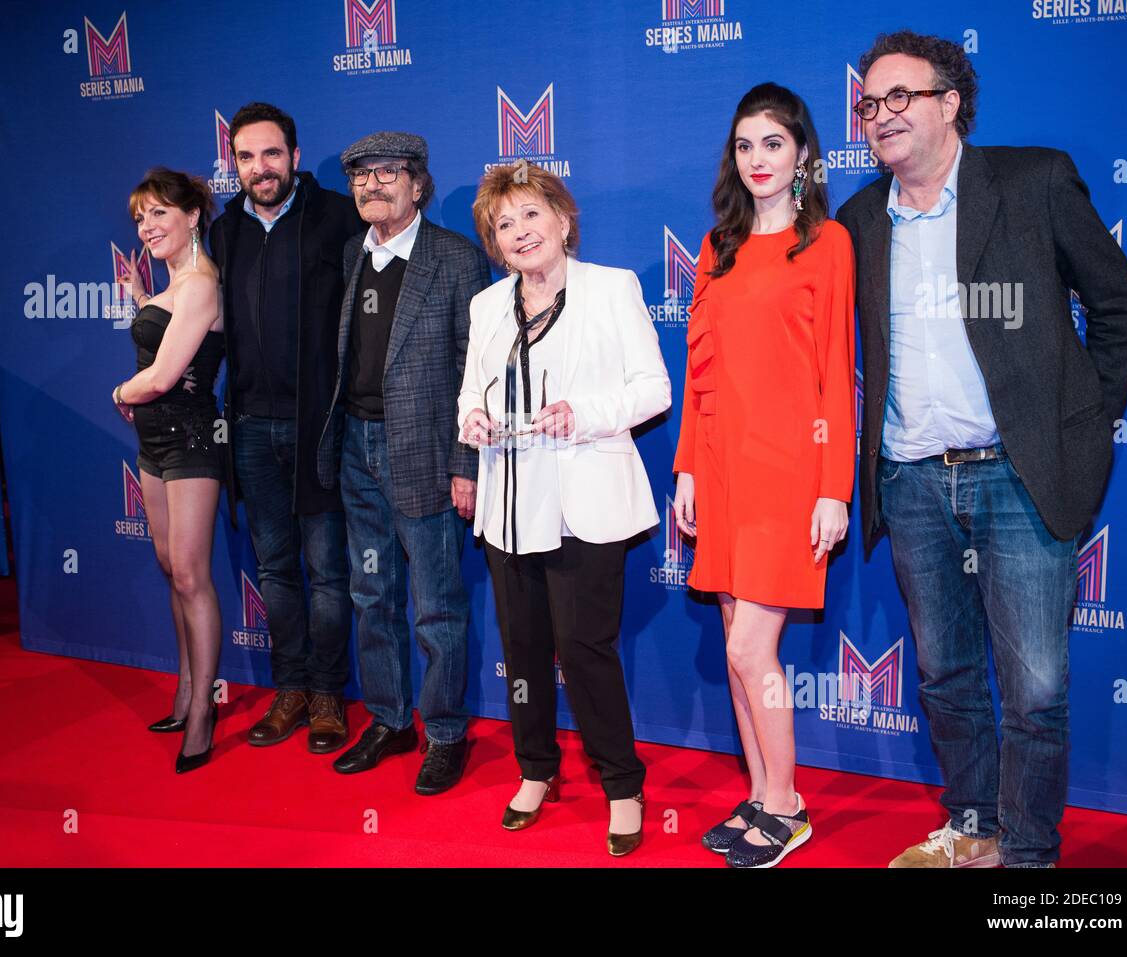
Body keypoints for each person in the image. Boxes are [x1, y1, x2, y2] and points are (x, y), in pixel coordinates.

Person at [836, 31, 1127, 868]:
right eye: (869, 103)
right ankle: (971, 827)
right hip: (910, 480)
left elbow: (1117, 305)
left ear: (950, 102)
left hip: (1019, 474)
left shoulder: (1033, 179)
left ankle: (1030, 857)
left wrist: (1081, 422)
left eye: (901, 96)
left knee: (1037, 688)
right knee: (943, 676)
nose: (880, 115)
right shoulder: (860, 220)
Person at [460, 162, 671, 856]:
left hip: (583, 504)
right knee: (523, 652)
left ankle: (622, 784)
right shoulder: (487, 306)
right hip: (509, 506)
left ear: (561, 219)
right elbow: (470, 397)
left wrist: (581, 414)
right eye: (503, 224)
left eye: (529, 215)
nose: (519, 232)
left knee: (584, 650)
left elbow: (652, 390)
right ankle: (536, 768)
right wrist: (475, 421)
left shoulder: (612, 289)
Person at [673, 84, 856, 868]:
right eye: (745, 145)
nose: (758, 160)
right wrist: (684, 467)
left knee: (753, 649)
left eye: (773, 144)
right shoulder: (717, 247)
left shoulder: (831, 244)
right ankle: (758, 794)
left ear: (803, 154)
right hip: (720, 468)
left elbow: (835, 372)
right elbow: (700, 371)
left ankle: (787, 803)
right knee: (731, 638)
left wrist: (833, 487)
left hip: (792, 473)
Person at [320, 132, 491, 795]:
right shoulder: (351, 257)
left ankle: (445, 732)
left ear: (418, 184)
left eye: (388, 173)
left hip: (423, 451)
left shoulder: (454, 260)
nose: (371, 185)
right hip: (356, 449)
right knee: (371, 593)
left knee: (436, 606)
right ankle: (390, 718)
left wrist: (464, 462)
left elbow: (475, 372)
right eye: (360, 175)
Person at [207, 103, 364, 755]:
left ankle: (329, 691)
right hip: (248, 425)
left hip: (317, 427)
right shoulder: (224, 232)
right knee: (275, 567)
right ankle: (290, 686)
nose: (260, 167)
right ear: (234, 163)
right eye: (246, 156)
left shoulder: (334, 217)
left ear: (295, 156)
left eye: (271, 154)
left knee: (327, 570)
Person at [113, 168, 226, 774]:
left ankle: (204, 712)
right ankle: (184, 690)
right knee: (169, 568)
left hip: (190, 441)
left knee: (189, 574)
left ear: (191, 216)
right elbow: (166, 344)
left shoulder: (202, 284)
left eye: (158, 213)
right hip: (155, 443)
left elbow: (160, 377)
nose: (147, 226)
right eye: (139, 217)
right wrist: (141, 298)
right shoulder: (176, 284)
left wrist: (121, 392)